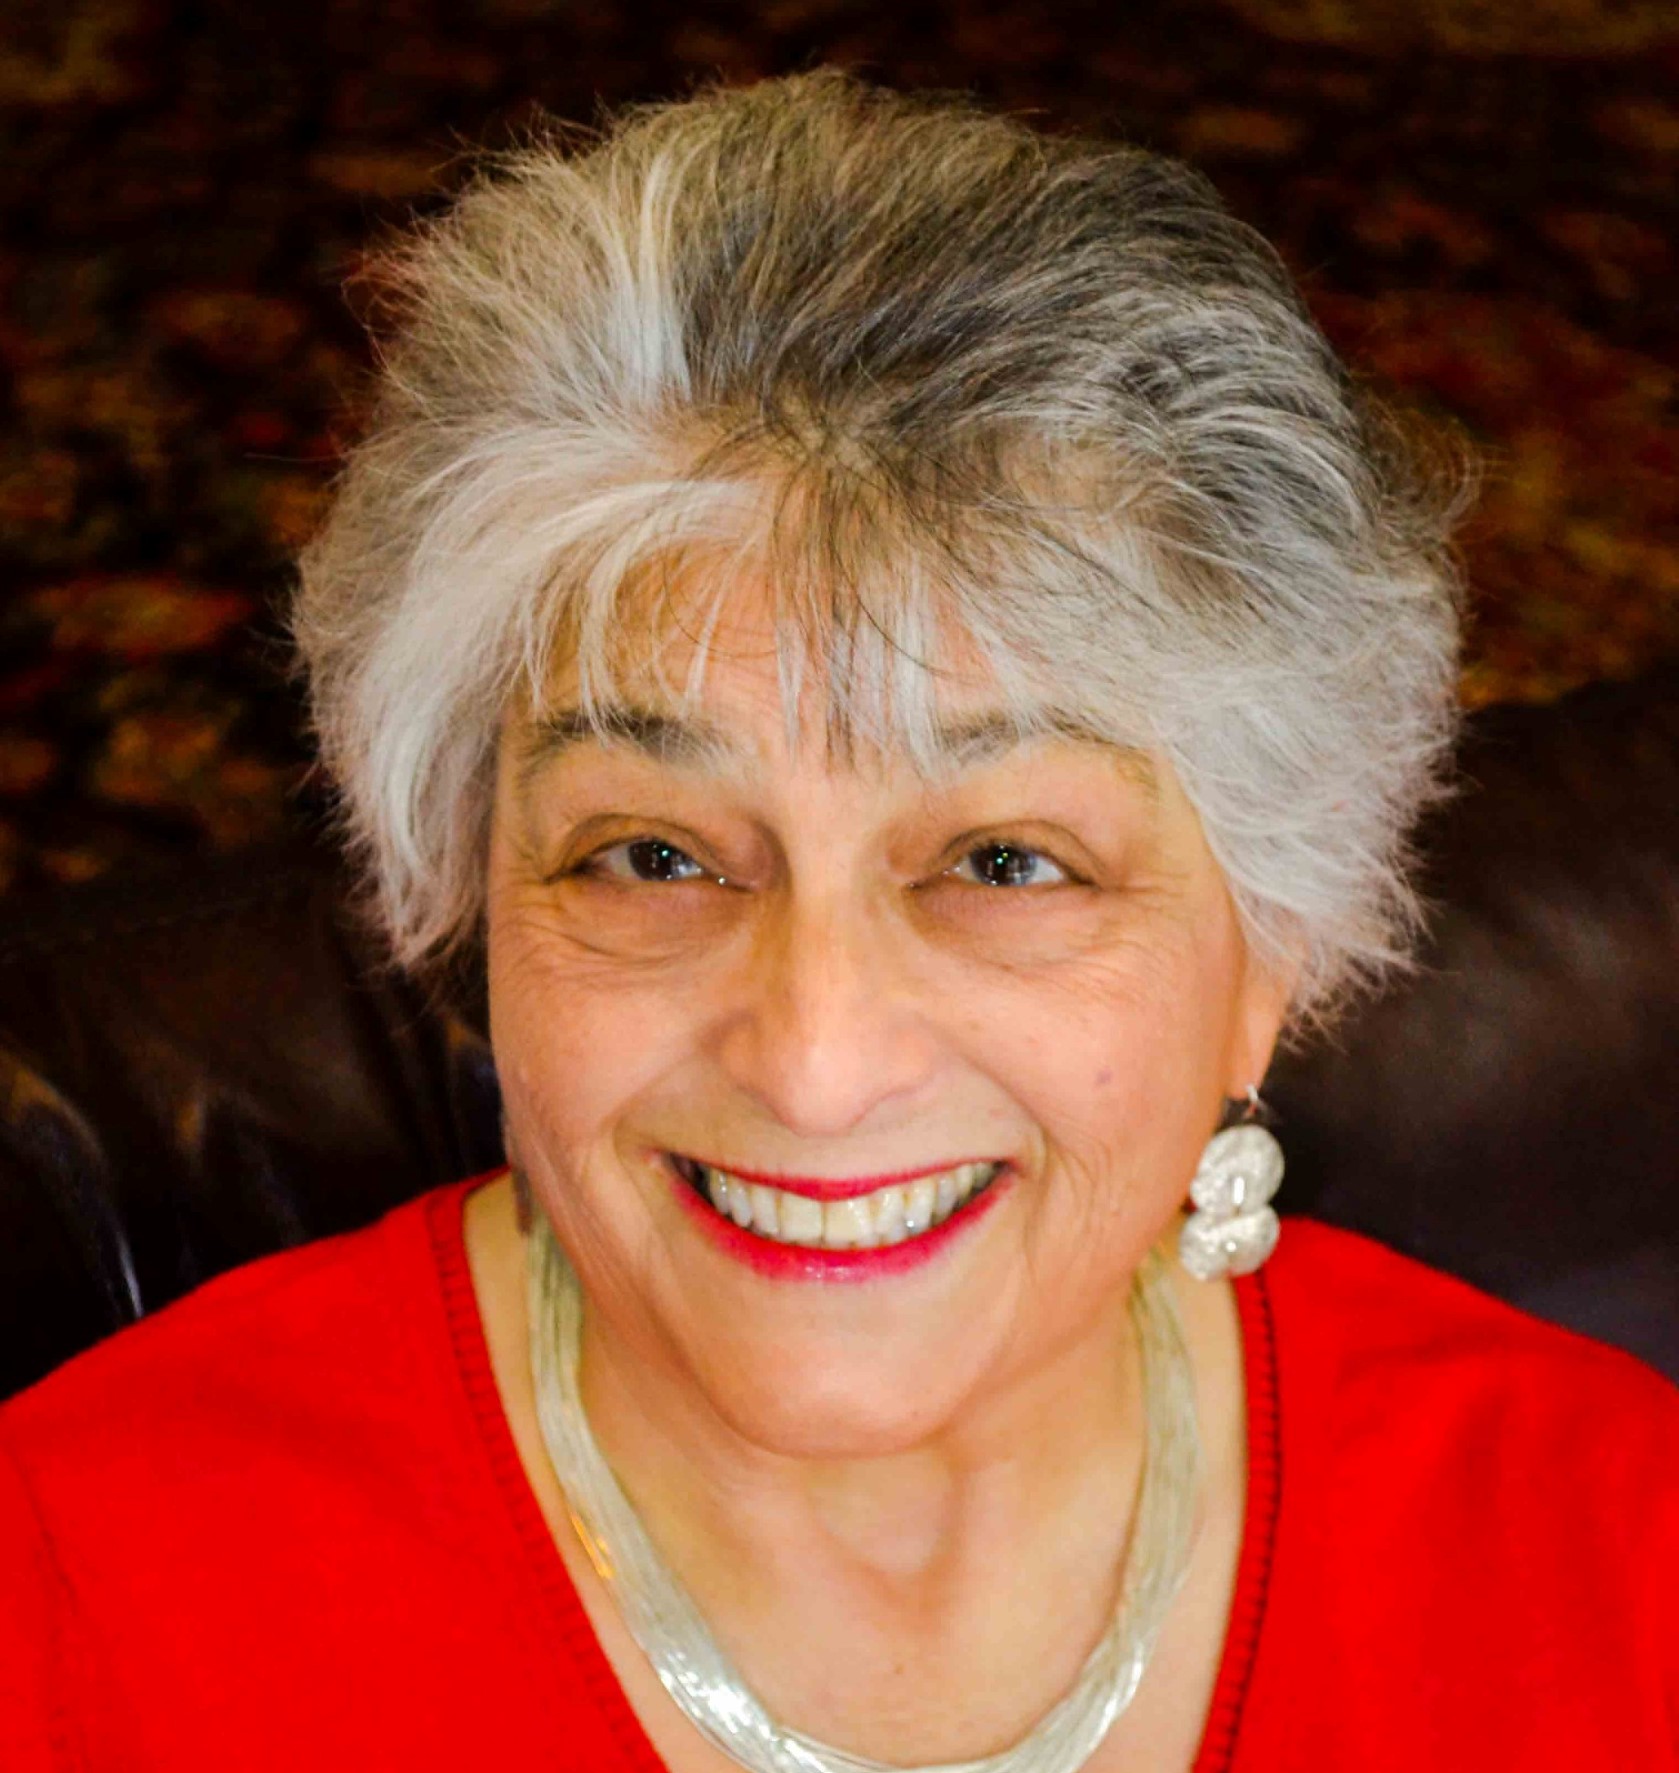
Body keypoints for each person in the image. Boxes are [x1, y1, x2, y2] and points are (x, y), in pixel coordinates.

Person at [1, 71, 1673, 1773]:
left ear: (1273, 945)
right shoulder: (77, 1597)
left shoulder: (1624, 1560)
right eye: (652, 854)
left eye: (1006, 861)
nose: (814, 1060)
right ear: (473, 885)